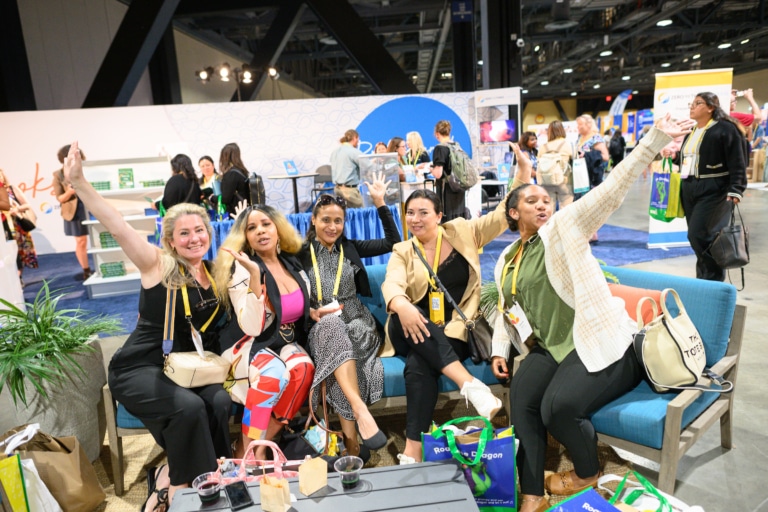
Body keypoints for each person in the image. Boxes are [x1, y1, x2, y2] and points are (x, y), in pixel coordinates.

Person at [489, 116, 693, 512]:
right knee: (524, 400)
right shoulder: (506, 260)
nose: (542, 204)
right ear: (513, 213)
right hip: (550, 347)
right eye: (531, 200)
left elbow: (609, 191)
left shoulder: (563, 228)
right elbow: (505, 310)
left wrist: (652, 142)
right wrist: (501, 349)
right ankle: (531, 492)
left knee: (558, 408)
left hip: (600, 341)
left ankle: (587, 472)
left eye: (545, 199)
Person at [62, 142, 233, 512]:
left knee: (219, 401)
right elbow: (119, 227)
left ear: (209, 231)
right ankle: (186, 490)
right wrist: (79, 183)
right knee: (188, 409)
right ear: (170, 240)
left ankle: (189, 473)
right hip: (140, 366)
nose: (194, 239)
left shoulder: (213, 273)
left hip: (187, 368)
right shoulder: (158, 264)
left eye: (199, 230)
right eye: (184, 234)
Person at [380, 146, 526, 465]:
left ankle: (412, 451)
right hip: (407, 324)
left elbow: (503, 214)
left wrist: (522, 175)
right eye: (410, 213)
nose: (415, 219)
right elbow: (390, 282)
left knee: (419, 366)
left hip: (454, 331)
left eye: (423, 212)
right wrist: (401, 304)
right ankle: (470, 385)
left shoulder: (463, 231)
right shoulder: (403, 249)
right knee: (415, 319)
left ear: (439, 215)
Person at [297, 172, 400, 456]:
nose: (332, 226)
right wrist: (308, 310)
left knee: (339, 362)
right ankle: (359, 422)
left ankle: (352, 445)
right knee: (335, 343)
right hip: (321, 323)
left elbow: (393, 241)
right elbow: (285, 290)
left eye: (338, 220)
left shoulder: (350, 248)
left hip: (358, 323)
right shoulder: (299, 252)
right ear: (314, 220)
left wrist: (380, 202)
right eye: (326, 220)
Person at [213, 205, 314, 461]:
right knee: (273, 374)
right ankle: (249, 448)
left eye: (266, 224)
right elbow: (252, 326)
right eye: (251, 228)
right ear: (245, 238)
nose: (260, 231)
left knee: (303, 369)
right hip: (248, 343)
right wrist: (255, 275)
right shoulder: (242, 270)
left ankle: (259, 446)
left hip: (283, 341)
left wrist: (313, 312)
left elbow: (296, 305)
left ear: (278, 229)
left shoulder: (292, 263)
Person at [679, 92, 748, 282]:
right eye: (691, 103)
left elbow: (738, 160)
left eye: (698, 103)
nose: (692, 107)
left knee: (700, 235)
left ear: (711, 107)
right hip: (690, 187)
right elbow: (689, 159)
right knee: (698, 237)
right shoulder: (692, 131)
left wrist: (737, 187)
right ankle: (704, 278)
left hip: (716, 189)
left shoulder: (726, 129)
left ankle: (713, 279)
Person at [52, 144, 92, 280]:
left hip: (91, 206)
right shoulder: (59, 175)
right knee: (81, 241)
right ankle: (86, 270)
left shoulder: (87, 169)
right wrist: (69, 192)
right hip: (74, 211)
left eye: (77, 154)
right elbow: (60, 198)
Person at [0, 169, 38, 287]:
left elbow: (27, 204)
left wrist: (16, 210)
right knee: (9, 254)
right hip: (4, 227)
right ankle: (14, 279)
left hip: (18, 226)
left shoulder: (11, 189)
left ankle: (19, 278)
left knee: (20, 253)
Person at [431, 120, 466, 221]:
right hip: (459, 188)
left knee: (448, 221)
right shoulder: (456, 146)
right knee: (459, 219)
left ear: (437, 134)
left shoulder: (440, 148)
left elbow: (438, 174)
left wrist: (431, 170)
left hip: (447, 190)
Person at [537, 121, 574, 209]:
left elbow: (538, 161)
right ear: (562, 130)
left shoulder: (543, 147)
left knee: (548, 210)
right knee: (565, 210)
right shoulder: (568, 145)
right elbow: (575, 159)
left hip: (546, 181)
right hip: (564, 182)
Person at [330, 129, 364, 208]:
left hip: (337, 190)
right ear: (355, 138)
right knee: (359, 216)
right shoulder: (354, 152)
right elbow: (367, 167)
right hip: (350, 193)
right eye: (358, 139)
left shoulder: (334, 152)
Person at [575, 114, 609, 189]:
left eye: (580, 124)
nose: (578, 127)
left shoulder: (595, 138)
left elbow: (606, 157)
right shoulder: (580, 138)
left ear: (589, 125)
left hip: (593, 177)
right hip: (582, 178)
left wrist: (587, 155)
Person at [219, 142, 252, 218]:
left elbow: (226, 198)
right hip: (244, 211)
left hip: (235, 213)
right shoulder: (242, 171)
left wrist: (213, 198)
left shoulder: (232, 174)